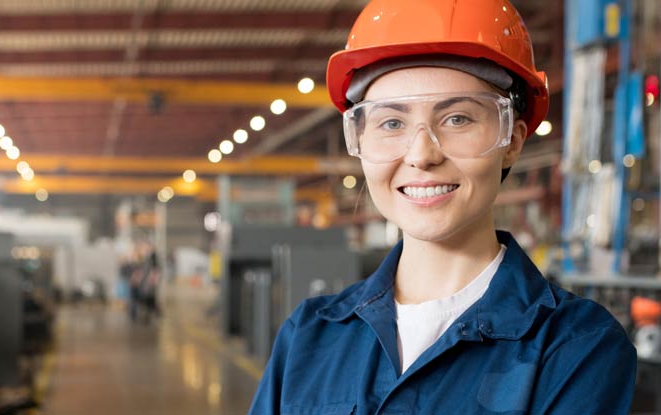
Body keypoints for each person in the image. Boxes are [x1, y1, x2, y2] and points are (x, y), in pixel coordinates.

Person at [248, 0, 637, 414]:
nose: (421, 155)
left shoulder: (574, 347)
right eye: (391, 123)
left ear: (513, 141)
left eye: (457, 119)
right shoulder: (310, 336)